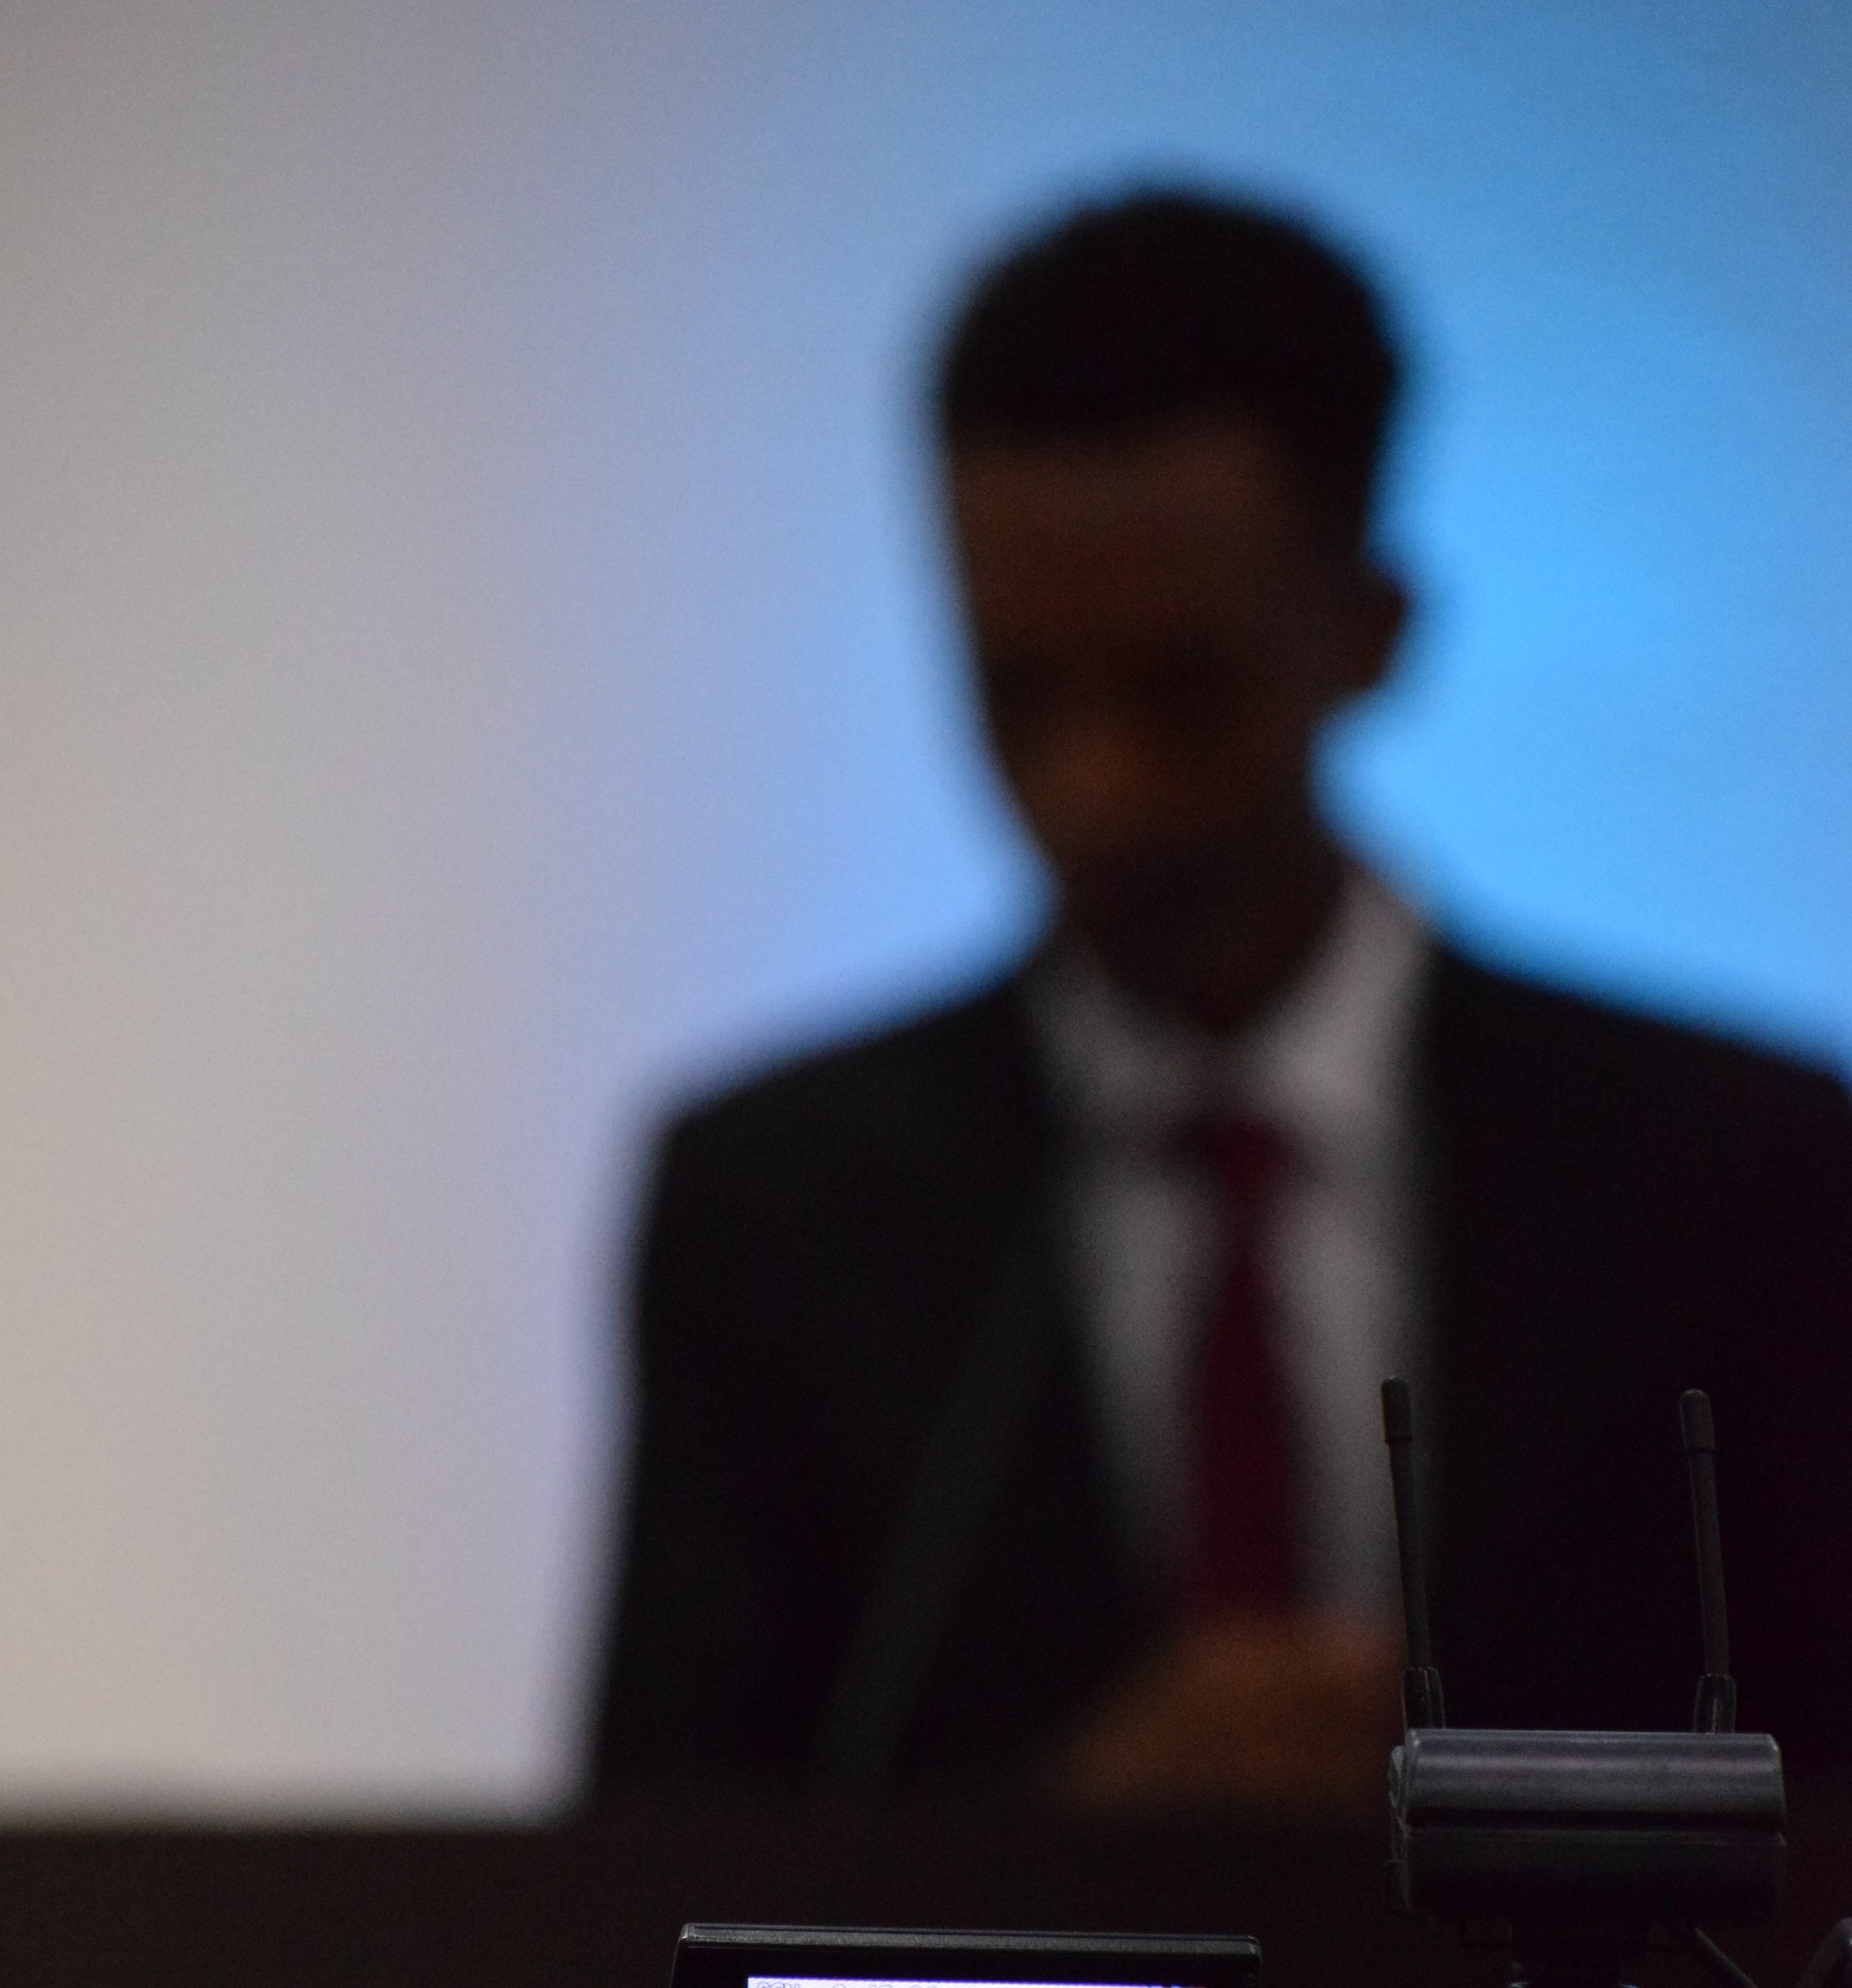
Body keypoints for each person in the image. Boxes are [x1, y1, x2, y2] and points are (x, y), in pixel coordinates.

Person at [591, 188, 1852, 1804]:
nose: (1096, 790)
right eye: (1018, 691)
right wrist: (1073, 1832)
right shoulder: (774, 1204)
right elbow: (650, 1864)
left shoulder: (1736, 1174)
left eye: (1183, 688)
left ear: (1372, 632)